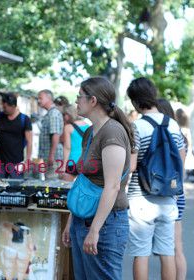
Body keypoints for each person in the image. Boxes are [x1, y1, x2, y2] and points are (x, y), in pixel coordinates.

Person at [62, 76, 133, 279]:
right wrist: (71, 220)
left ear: (93, 101)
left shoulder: (112, 133)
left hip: (105, 224)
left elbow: (112, 187)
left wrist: (94, 230)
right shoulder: (91, 132)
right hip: (83, 219)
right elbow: (84, 180)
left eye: (79, 97)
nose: (76, 101)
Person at [126, 78, 185, 280]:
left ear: (135, 101)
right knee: (167, 252)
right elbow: (180, 163)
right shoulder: (174, 125)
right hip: (168, 198)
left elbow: (132, 166)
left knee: (141, 254)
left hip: (141, 198)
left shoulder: (137, 127)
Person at [156, 99, 187, 280]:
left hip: (171, 193)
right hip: (177, 192)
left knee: (173, 248)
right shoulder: (178, 135)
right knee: (175, 247)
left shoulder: (168, 135)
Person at [37, 90, 63, 179]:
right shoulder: (50, 113)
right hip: (50, 156)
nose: (38, 100)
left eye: (40, 98)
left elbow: (55, 135)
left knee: (52, 185)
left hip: (53, 158)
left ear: (49, 98)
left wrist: (51, 156)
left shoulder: (54, 114)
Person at [60, 104, 90, 181]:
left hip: (72, 162)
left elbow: (67, 147)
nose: (63, 117)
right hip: (86, 162)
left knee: (66, 187)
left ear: (69, 114)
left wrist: (63, 166)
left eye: (64, 114)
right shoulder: (89, 126)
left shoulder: (68, 127)